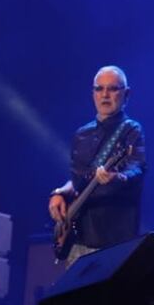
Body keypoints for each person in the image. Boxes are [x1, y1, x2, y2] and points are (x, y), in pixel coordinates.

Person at [48, 66, 146, 265]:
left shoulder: (131, 130)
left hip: (114, 237)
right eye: (99, 89)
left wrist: (116, 177)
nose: (105, 95)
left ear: (126, 94)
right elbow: (78, 179)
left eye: (113, 89)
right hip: (79, 237)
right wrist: (59, 193)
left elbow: (137, 167)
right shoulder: (81, 134)